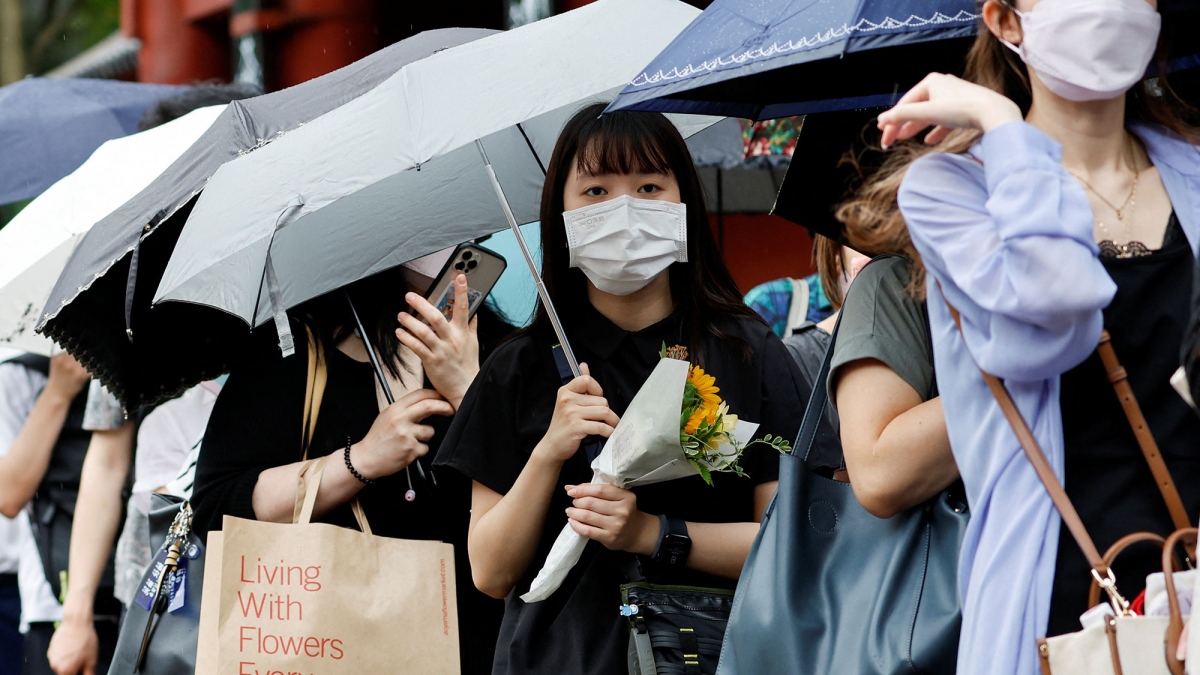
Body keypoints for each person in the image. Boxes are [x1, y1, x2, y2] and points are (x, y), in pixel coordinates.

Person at [867, 0, 1200, 672]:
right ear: (1006, 21)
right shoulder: (952, 187)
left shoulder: (1191, 170)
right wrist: (1003, 125)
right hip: (1061, 596)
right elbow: (1056, 314)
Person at [435, 104, 806, 675]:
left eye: (649, 185)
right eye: (596, 191)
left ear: (684, 202)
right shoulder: (519, 369)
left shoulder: (746, 352)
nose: (624, 209)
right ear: (559, 212)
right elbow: (489, 571)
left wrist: (655, 534)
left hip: (718, 655)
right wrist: (548, 451)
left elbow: (789, 543)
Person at [190, 265, 511, 675]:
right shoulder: (296, 348)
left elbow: (548, 506)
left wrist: (470, 390)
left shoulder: (503, 349)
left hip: (478, 645)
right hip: (318, 644)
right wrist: (358, 461)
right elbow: (218, 509)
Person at [0, 351, 125, 675]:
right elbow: (7, 495)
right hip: (48, 594)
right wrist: (59, 391)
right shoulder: (18, 374)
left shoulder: (125, 362)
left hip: (132, 589)